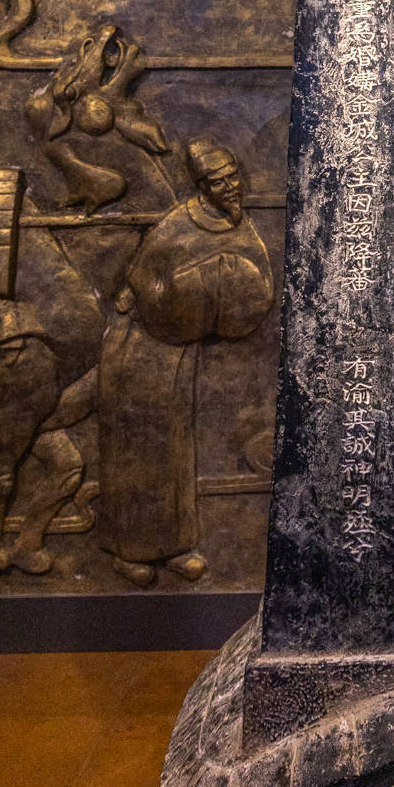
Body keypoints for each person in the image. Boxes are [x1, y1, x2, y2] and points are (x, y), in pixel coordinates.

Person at [98, 139, 274, 586]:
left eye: (233, 177)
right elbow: (139, 284)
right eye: (219, 182)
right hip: (139, 349)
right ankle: (128, 551)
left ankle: (174, 547)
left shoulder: (239, 227)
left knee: (174, 449)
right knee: (137, 445)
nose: (230, 187)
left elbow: (256, 288)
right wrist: (183, 292)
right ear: (201, 186)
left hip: (178, 351)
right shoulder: (176, 225)